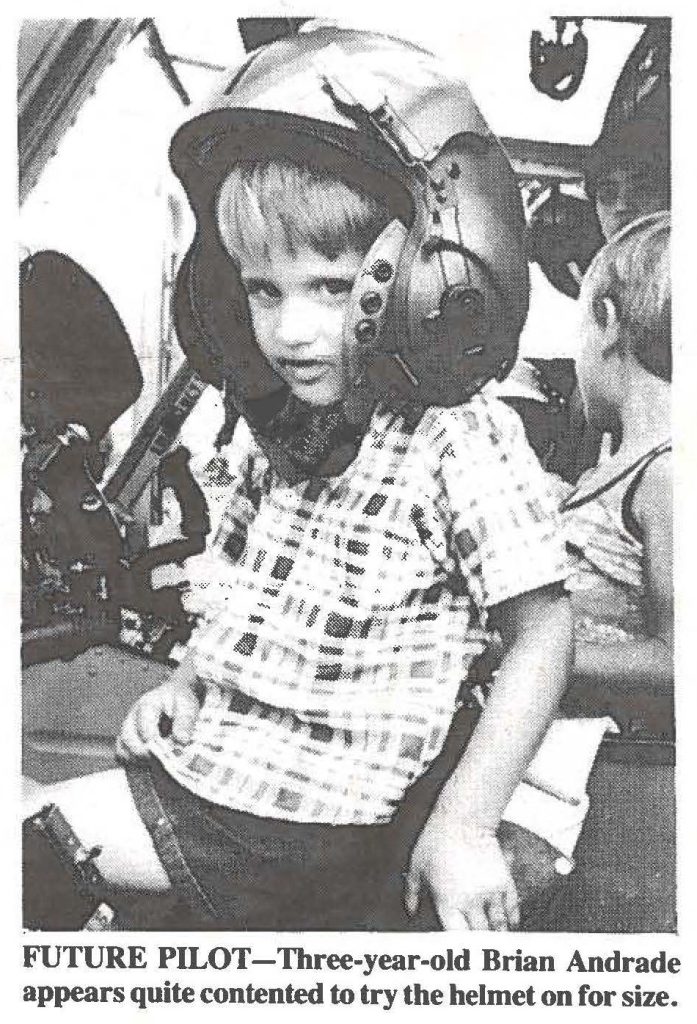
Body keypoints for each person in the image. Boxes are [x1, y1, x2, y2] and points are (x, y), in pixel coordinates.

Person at [24, 25, 572, 931]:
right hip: (232, 777)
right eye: (261, 290)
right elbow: (245, 594)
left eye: (328, 285)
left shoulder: (457, 441)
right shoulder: (275, 429)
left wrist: (464, 826)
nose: (290, 331)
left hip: (304, 827)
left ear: (433, 276)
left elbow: (541, 632)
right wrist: (188, 683)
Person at [560, 212, 672, 716]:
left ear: (605, 322)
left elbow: (679, 659)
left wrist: (532, 655)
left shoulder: (666, 475)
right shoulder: (615, 470)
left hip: (609, 763)